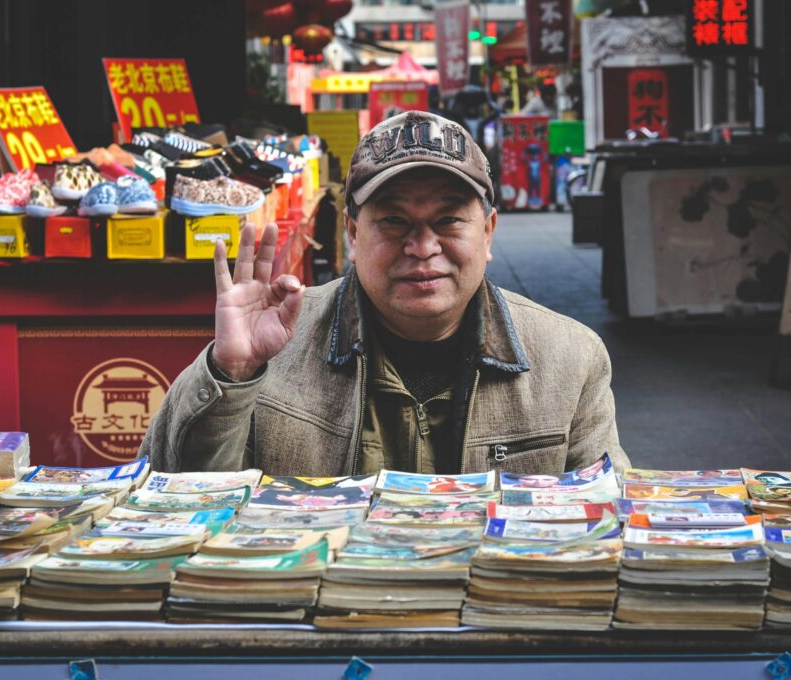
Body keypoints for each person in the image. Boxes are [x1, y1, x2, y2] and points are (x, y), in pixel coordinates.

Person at [139, 110, 628, 476]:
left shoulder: (570, 359)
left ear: (488, 233)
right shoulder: (275, 347)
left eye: (449, 220)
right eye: (394, 221)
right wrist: (231, 376)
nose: (422, 247)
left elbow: (609, 519)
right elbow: (172, 497)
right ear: (352, 234)